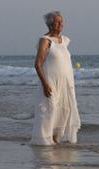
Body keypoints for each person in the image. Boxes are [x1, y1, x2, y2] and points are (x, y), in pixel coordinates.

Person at [30, 11, 81, 146]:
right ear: (50, 25)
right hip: (50, 83)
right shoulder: (45, 41)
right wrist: (45, 84)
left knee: (64, 110)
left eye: (62, 21)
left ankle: (56, 139)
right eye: (58, 22)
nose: (61, 24)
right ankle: (45, 141)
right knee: (49, 110)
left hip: (66, 84)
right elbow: (38, 64)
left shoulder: (65, 41)